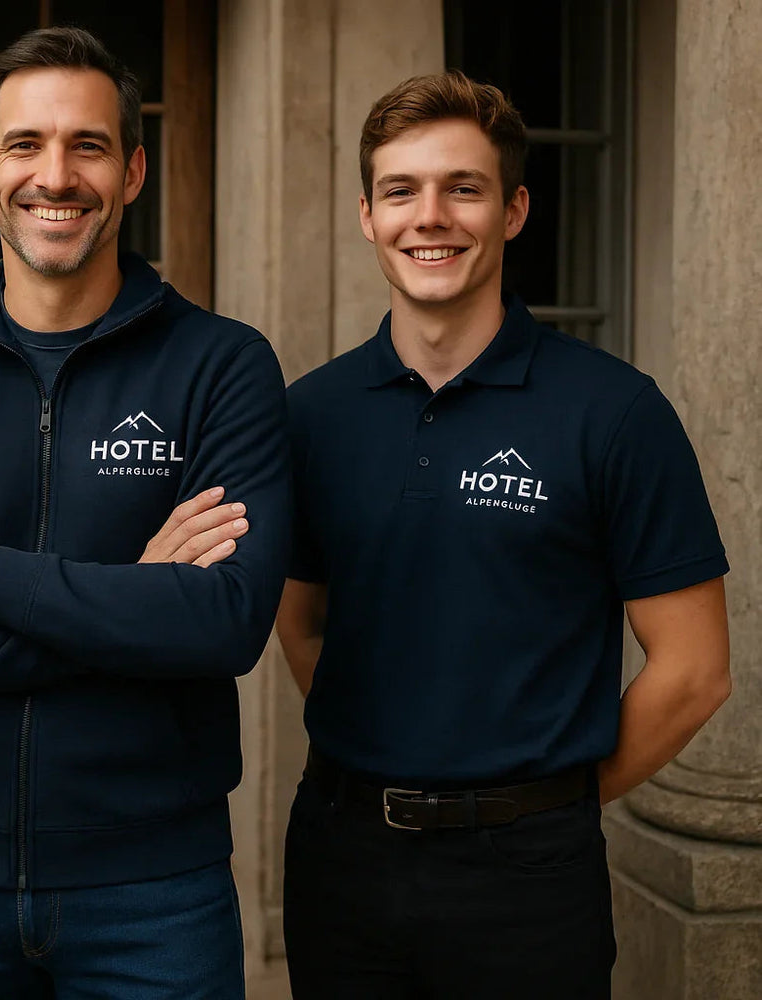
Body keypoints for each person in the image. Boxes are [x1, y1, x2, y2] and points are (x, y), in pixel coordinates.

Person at [0, 27, 290, 1000]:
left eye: (88, 145)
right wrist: (130, 600)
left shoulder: (221, 366)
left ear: (133, 170)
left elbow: (226, 622)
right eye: (28, 145)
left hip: (155, 888)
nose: (57, 174)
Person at [276, 71, 731, 999]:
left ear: (515, 210)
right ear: (368, 215)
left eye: (464, 188)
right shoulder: (310, 415)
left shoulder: (613, 413)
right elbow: (301, 620)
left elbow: (694, 670)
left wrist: (543, 803)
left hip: (531, 881)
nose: (429, 216)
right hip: (342, 856)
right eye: (401, 191)